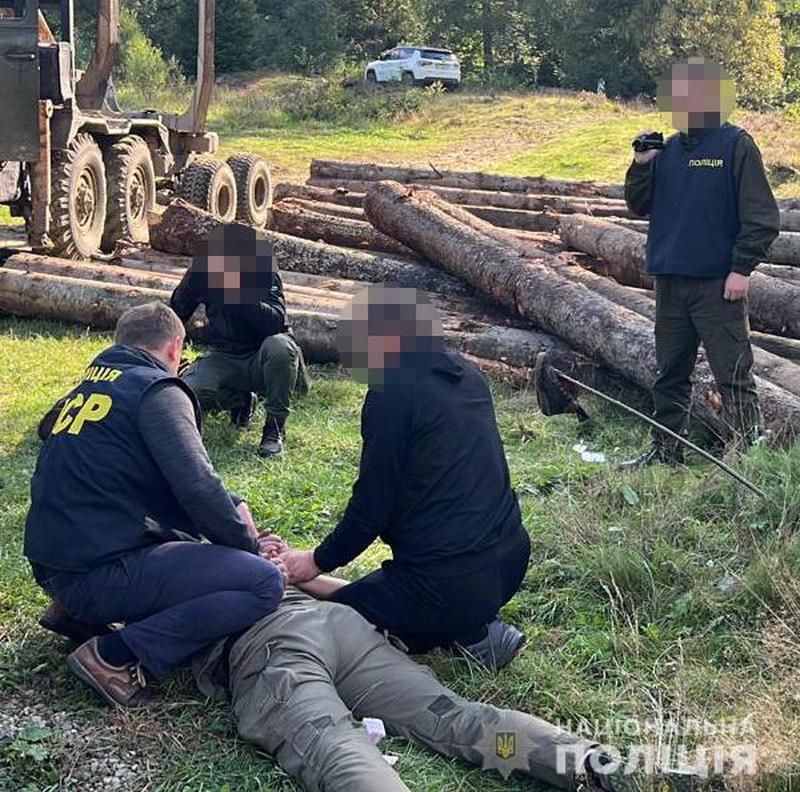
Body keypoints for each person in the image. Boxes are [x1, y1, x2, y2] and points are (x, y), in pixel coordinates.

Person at [25, 302, 286, 707]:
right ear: (174, 347)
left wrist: (234, 506)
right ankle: (113, 656)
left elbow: (146, 476)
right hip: (97, 572)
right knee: (262, 583)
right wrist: (249, 549)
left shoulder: (92, 387)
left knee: (208, 559)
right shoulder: (157, 390)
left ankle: (77, 614)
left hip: (55, 565)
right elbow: (197, 487)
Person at [281, 286, 531, 670]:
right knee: (383, 593)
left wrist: (316, 561)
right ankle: (475, 628)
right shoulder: (466, 374)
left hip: (446, 583)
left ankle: (467, 630)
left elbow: (372, 507)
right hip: (510, 559)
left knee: (344, 616)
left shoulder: (392, 393)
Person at [193, 585, 617, 792]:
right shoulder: (253, 539)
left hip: (272, 644)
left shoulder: (162, 563)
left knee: (330, 741)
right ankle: (585, 761)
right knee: (456, 718)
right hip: (340, 624)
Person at [621, 56, 780, 468]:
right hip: (671, 282)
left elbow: (762, 218)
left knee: (734, 375)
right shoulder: (667, 150)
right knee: (669, 373)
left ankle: (749, 460)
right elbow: (639, 206)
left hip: (718, 285)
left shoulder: (735, 145)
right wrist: (641, 166)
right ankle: (665, 452)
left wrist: (741, 269)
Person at [170, 223, 309, 458]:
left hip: (264, 355)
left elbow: (276, 322)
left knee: (281, 347)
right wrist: (170, 360)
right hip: (226, 354)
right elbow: (176, 314)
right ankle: (241, 400)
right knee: (191, 391)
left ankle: (274, 429)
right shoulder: (201, 271)